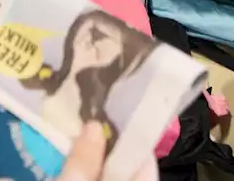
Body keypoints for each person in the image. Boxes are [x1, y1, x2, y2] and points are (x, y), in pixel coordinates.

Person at [22, 9, 155, 146]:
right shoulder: (35, 76)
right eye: (92, 32)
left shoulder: (96, 124)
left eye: (97, 36)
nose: (87, 40)